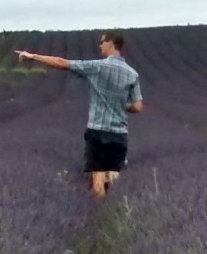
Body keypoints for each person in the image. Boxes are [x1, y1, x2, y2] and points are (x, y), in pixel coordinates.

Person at [16, 31, 143, 198]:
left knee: (97, 174)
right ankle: (116, 210)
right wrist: (121, 106)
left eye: (102, 42)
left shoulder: (97, 67)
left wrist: (32, 56)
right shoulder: (132, 74)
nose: (100, 45)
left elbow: (62, 63)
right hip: (119, 133)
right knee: (114, 174)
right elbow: (138, 106)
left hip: (98, 131)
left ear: (111, 43)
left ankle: (100, 208)